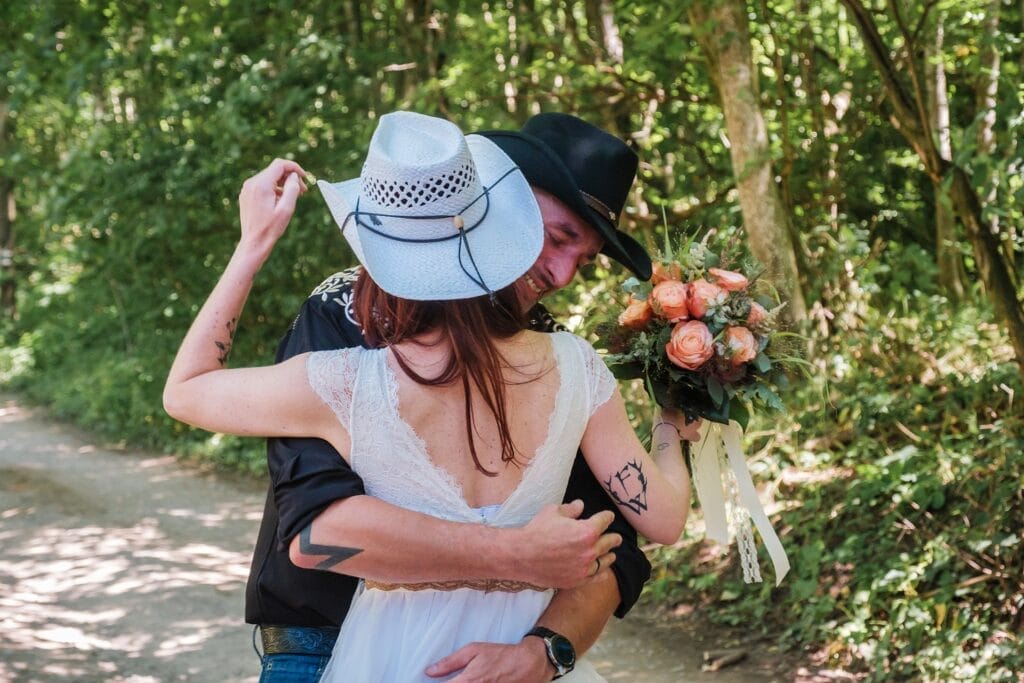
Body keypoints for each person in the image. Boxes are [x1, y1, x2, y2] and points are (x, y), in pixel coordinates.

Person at [164, 112, 696, 682]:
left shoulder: (344, 381)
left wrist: (254, 245)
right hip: (320, 639)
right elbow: (663, 519)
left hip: (447, 654)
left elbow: (186, 391)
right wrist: (677, 416)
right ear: (504, 213)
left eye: (583, 257)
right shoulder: (576, 367)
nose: (565, 274)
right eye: (560, 237)